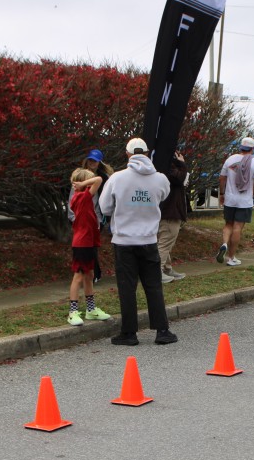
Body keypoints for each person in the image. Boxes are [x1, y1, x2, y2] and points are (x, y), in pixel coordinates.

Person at [98, 137, 176, 346]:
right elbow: (163, 196)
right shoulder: (160, 179)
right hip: (149, 239)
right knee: (154, 286)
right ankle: (162, 331)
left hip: (124, 241)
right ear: (148, 153)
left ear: (127, 154)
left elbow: (105, 207)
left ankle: (129, 333)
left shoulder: (117, 178)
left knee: (127, 288)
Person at [66, 168, 112, 326]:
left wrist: (82, 184)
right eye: (87, 180)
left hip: (89, 242)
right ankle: (72, 312)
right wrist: (82, 184)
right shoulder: (83, 197)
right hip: (82, 243)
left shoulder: (82, 197)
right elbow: (99, 179)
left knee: (89, 275)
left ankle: (91, 309)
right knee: (78, 276)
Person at [216, 136, 254, 267]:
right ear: (252, 149)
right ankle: (231, 258)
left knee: (228, 224)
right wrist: (252, 194)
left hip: (230, 199)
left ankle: (224, 244)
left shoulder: (230, 159)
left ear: (241, 147)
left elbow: (222, 178)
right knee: (237, 227)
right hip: (244, 200)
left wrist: (222, 193)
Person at [82, 149, 114, 283]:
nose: (92, 163)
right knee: (86, 244)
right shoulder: (81, 174)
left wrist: (104, 216)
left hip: (98, 216)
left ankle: (94, 273)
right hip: (83, 214)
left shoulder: (104, 177)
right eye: (90, 160)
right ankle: (93, 272)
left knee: (91, 244)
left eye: (95, 161)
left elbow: (107, 197)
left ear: (99, 162)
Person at [158, 151, 188, 284]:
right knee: (165, 242)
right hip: (169, 211)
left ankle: (167, 268)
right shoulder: (167, 167)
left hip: (168, 211)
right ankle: (158, 271)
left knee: (166, 241)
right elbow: (179, 178)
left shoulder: (161, 164)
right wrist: (182, 164)